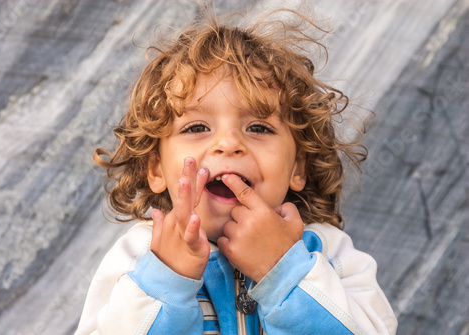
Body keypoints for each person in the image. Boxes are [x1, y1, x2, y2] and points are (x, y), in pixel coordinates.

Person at [75, 8, 397, 335]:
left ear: (297, 167)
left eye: (258, 127)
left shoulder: (330, 254)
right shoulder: (137, 260)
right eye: (197, 126)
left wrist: (284, 271)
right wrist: (166, 282)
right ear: (155, 169)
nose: (229, 143)